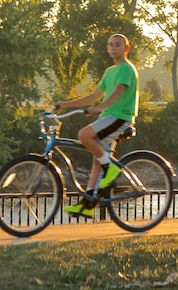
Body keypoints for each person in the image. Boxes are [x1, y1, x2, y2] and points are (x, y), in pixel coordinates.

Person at [53, 33, 139, 218]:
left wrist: (99, 108)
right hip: (108, 116)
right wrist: (65, 104)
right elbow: (93, 96)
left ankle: (111, 170)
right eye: (110, 45)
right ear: (107, 48)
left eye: (117, 45)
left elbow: (117, 94)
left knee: (84, 135)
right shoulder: (109, 71)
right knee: (97, 159)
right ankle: (87, 204)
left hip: (120, 117)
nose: (113, 47)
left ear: (126, 48)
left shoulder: (126, 69)